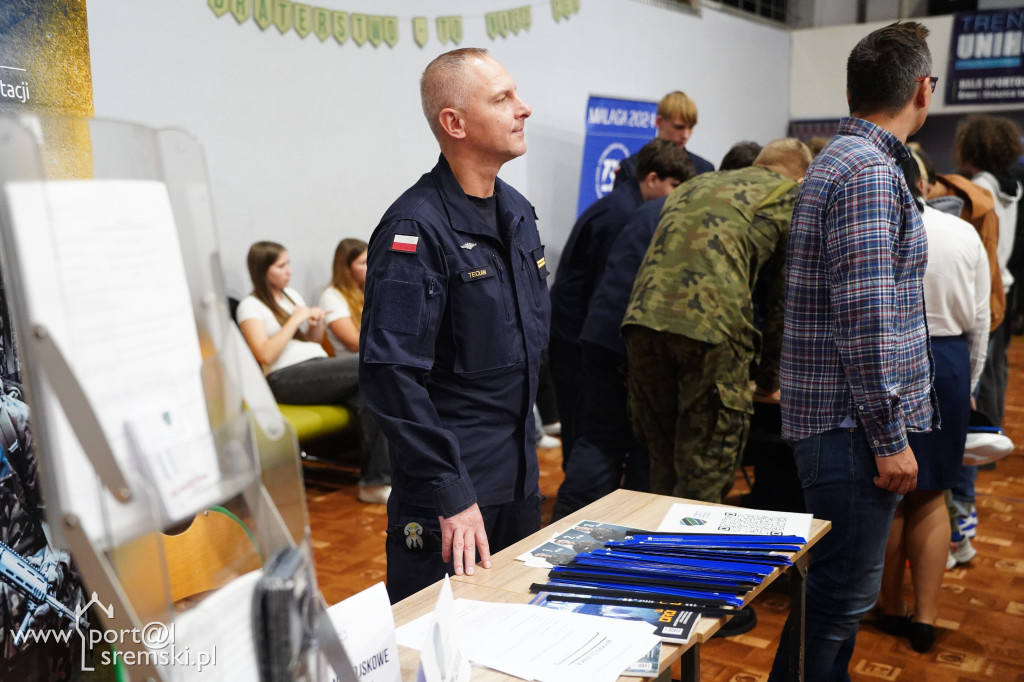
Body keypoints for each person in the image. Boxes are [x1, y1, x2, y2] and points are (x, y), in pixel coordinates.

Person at [768, 22, 938, 680]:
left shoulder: (844, 159)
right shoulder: (868, 170)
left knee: (835, 603)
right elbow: (866, 316)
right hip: (851, 429)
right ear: (923, 89)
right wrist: (890, 435)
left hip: (843, 423)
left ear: (849, 88)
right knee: (837, 603)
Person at [358, 47, 550, 603]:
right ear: (454, 122)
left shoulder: (518, 213)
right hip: (453, 498)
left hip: (519, 482)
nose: (524, 108)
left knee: (517, 633)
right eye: (503, 98)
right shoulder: (414, 229)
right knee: (440, 649)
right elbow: (390, 375)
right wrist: (451, 492)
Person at [621, 139, 811, 505]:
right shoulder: (789, 196)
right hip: (710, 332)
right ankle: (687, 560)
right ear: (802, 178)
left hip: (641, 323)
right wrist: (769, 382)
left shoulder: (696, 184)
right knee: (705, 470)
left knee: (661, 462)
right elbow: (781, 304)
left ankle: (656, 556)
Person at [877, 153, 989, 653]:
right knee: (932, 492)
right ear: (922, 181)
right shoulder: (962, 233)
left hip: (890, 356)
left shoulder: (876, 227)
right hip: (948, 361)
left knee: (890, 492)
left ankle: (888, 607)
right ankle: (925, 618)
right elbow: (982, 320)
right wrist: (971, 380)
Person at [548, 138, 692, 472]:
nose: (677, 197)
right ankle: (580, 513)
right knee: (590, 438)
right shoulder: (625, 217)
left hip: (573, 338)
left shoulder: (619, 206)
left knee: (587, 436)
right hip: (578, 344)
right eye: (674, 186)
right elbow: (605, 289)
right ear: (652, 179)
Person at [236, 241, 391, 504]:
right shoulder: (249, 306)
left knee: (375, 393)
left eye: (289, 264)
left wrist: (315, 326)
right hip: (283, 377)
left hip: (315, 367)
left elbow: (313, 343)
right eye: (281, 266)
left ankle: (376, 483)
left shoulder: (291, 296)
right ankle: (378, 480)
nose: (289, 271)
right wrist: (295, 320)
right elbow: (264, 354)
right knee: (372, 361)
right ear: (263, 270)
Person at [613, 91, 714, 189]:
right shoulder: (630, 168)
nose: (685, 135)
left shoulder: (704, 170)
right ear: (659, 122)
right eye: (679, 127)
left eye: (690, 127)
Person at [318, 238, 367, 356]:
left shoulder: (368, 290)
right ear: (347, 269)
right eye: (363, 263)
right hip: (354, 362)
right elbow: (355, 343)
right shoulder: (331, 297)